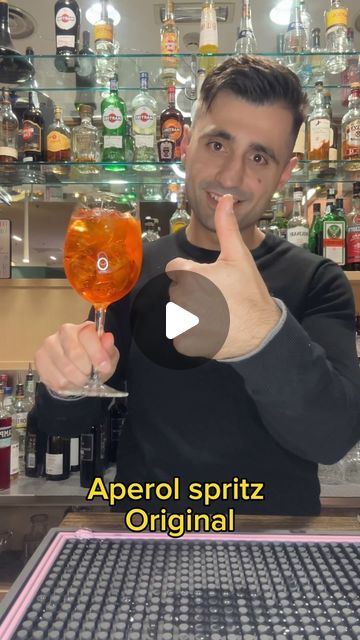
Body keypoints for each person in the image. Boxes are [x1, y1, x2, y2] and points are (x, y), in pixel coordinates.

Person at [35, 56, 360, 516]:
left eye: (260, 156)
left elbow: (331, 437)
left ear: (285, 174)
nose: (231, 177)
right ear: (185, 144)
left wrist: (263, 337)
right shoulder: (134, 267)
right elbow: (65, 424)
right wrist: (64, 385)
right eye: (217, 144)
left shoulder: (317, 280)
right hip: (148, 527)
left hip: (272, 540)